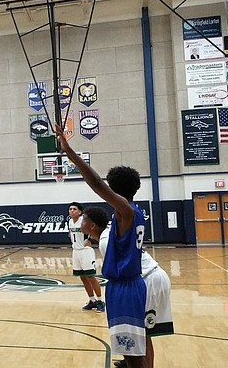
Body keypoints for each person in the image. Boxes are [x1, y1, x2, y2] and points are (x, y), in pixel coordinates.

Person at [56, 122, 147, 367]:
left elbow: (96, 183)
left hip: (126, 286)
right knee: (129, 353)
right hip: (122, 286)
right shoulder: (129, 213)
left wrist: (70, 152)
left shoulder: (127, 211)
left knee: (134, 355)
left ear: (114, 189)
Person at [92, 216, 174, 368]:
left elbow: (120, 270)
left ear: (92, 225)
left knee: (144, 333)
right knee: (136, 331)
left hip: (149, 279)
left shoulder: (105, 241)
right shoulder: (109, 234)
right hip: (145, 278)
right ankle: (130, 360)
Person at [68, 201, 104, 312]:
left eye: (74, 209)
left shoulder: (84, 221)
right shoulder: (69, 221)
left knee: (91, 277)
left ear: (79, 212)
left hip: (86, 251)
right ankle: (92, 300)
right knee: (83, 278)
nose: (72, 211)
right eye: (70, 209)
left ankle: (100, 301)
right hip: (76, 251)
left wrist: (90, 240)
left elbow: (96, 230)